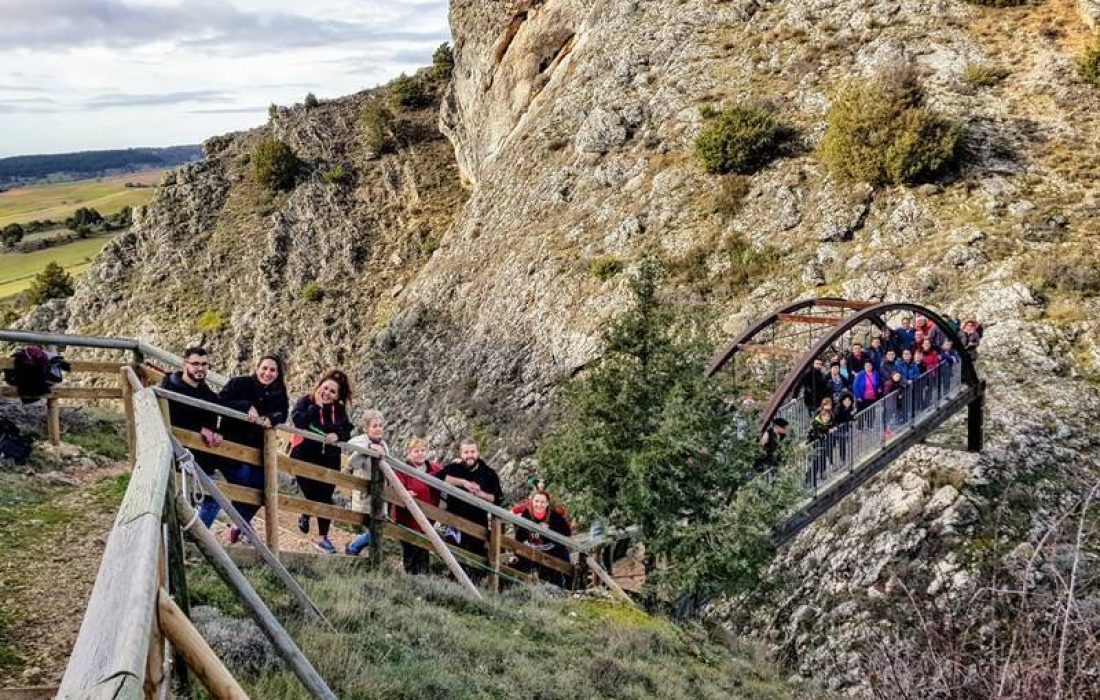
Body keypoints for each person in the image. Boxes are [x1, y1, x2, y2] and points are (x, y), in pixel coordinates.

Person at [217, 354, 289, 543]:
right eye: (264, 368)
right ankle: (241, 526)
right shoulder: (239, 384)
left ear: (278, 373)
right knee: (243, 483)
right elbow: (219, 402)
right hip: (231, 444)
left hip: (258, 450)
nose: (267, 373)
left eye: (272, 370)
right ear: (257, 368)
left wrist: (271, 419)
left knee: (263, 488)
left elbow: (283, 413)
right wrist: (245, 406)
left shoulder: (279, 392)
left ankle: (238, 526)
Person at [290, 370, 354, 553]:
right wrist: (316, 407)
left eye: (333, 391)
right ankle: (307, 512)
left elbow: (347, 430)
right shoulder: (305, 401)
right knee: (314, 494)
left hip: (329, 459)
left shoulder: (339, 410)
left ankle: (322, 537)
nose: (327, 393)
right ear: (319, 387)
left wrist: (337, 435)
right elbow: (298, 421)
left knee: (326, 497)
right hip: (304, 455)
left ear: (338, 396)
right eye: (325, 388)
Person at [160, 347, 225, 528]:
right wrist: (199, 429)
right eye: (195, 364)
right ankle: (188, 539)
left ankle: (193, 538)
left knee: (215, 499)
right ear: (185, 364)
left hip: (202, 459)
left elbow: (216, 416)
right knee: (182, 501)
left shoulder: (207, 393)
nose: (200, 368)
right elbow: (169, 418)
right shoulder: (169, 388)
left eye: (204, 364)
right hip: (177, 457)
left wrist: (217, 432)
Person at [438, 438, 503, 561]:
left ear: (478, 452)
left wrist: (480, 494)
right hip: (454, 523)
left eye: (472, 452)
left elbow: (497, 498)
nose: (469, 455)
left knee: (475, 562)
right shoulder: (454, 468)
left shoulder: (489, 473)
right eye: (466, 452)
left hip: (478, 525)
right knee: (455, 560)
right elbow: (439, 477)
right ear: (460, 454)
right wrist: (463, 483)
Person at [345, 410, 391, 557]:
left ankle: (358, 549)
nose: (378, 428)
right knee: (374, 527)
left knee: (379, 526)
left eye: (380, 425)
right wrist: (368, 450)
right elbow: (352, 462)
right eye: (374, 426)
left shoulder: (383, 444)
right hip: (365, 493)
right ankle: (354, 548)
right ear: (366, 429)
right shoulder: (361, 443)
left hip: (380, 493)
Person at [513, 490, 573, 587]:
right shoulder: (526, 514)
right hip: (532, 548)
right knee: (520, 560)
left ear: (547, 503)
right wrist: (524, 543)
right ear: (532, 502)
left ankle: (567, 586)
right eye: (536, 501)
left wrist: (550, 529)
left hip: (551, 549)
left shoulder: (555, 516)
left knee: (562, 558)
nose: (539, 505)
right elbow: (520, 535)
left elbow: (567, 532)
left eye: (542, 502)